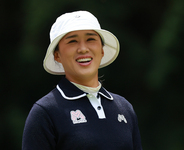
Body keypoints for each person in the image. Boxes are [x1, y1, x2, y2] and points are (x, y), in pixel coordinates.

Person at [22, 10, 143, 150]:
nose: (83, 49)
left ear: (102, 50)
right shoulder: (45, 112)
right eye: (72, 41)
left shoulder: (124, 108)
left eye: (91, 39)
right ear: (57, 55)